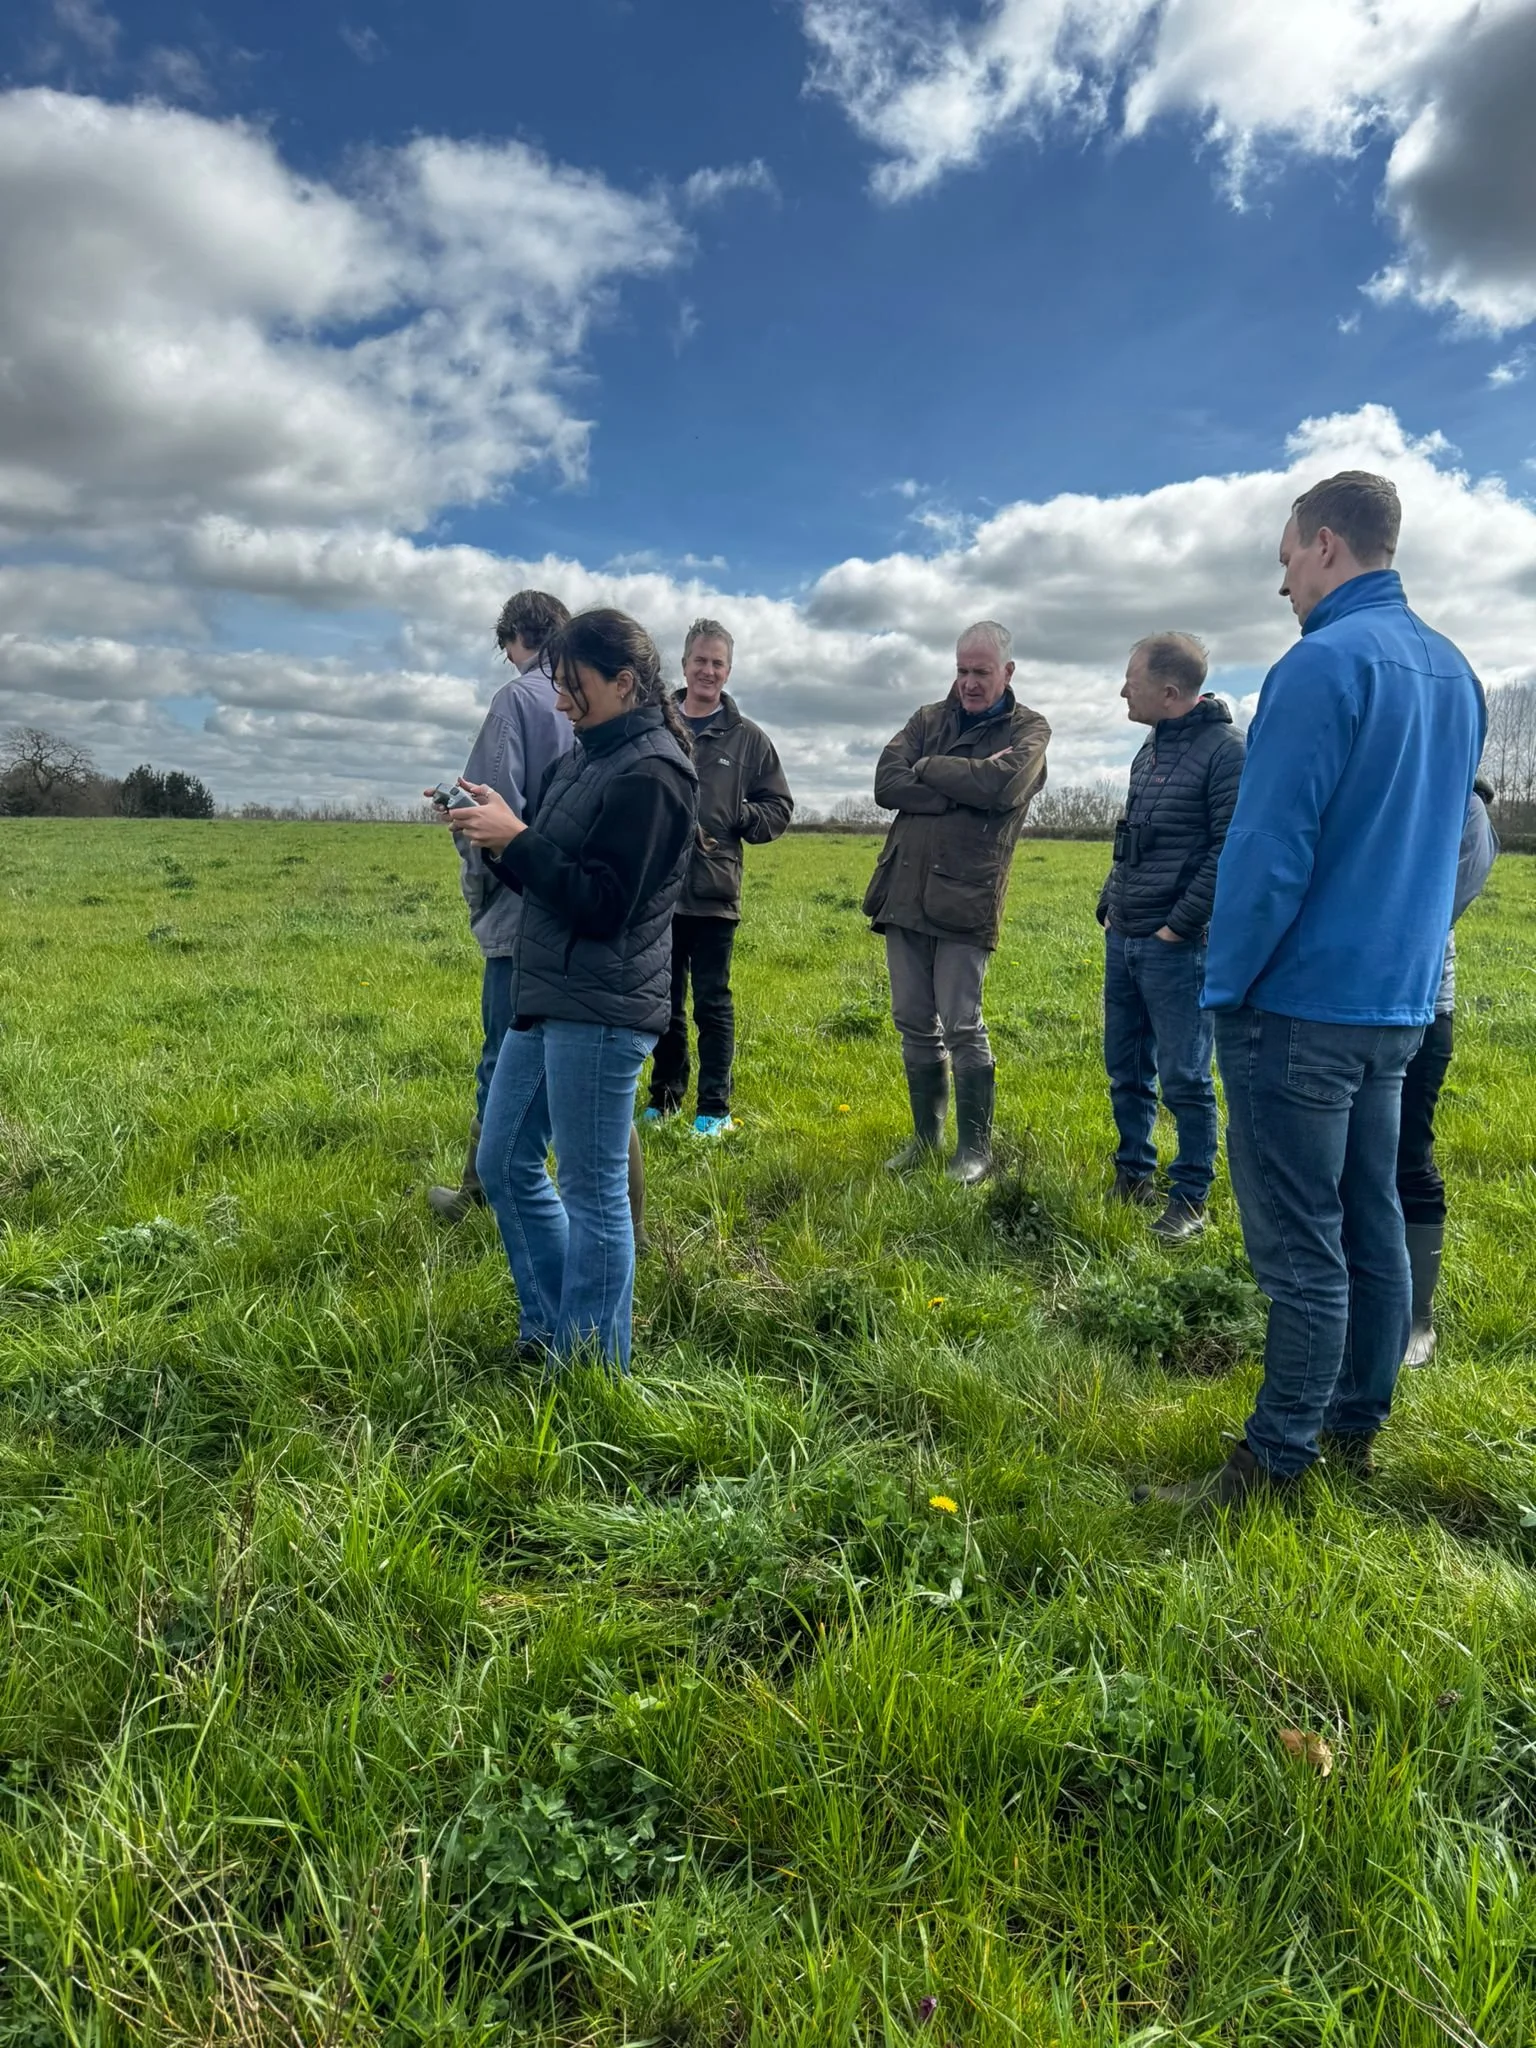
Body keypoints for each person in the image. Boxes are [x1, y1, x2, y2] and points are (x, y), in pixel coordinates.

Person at [1138, 471, 1486, 1508]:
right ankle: (1353, 1424)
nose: (1283, 580)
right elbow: (1464, 845)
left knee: (1300, 1248)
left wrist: (1226, 984)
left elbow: (1270, 848)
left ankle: (1275, 1460)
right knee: (1369, 1218)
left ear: (1326, 544)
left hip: (1298, 1003)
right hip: (1402, 1004)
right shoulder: (1456, 672)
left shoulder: (1321, 664)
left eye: (1287, 556)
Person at [445, 609, 698, 1375]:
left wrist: (517, 839)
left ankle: (590, 1372)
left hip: (603, 1010)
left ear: (625, 682)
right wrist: (491, 834)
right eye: (557, 685)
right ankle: (554, 1327)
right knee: (504, 1160)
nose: (561, 702)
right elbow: (547, 870)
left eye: (574, 686)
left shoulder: (652, 775)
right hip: (549, 994)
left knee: (593, 1197)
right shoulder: (587, 758)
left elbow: (601, 904)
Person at [864, 622, 1051, 1183]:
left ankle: (974, 1151)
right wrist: (958, 790)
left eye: (982, 672)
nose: (969, 682)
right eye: (962, 670)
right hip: (903, 892)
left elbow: (1003, 787)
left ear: (1007, 672)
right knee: (913, 1022)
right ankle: (926, 1140)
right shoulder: (927, 719)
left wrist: (930, 769)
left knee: (962, 1024)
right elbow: (885, 783)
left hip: (967, 899)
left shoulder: (1030, 730)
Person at [426, 589, 570, 1222]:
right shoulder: (599, 701)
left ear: (512, 638)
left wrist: (457, 810)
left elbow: (486, 819)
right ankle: (619, 1215)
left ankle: (483, 1191)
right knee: (583, 1059)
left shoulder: (516, 699)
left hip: (524, 907)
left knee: (504, 1048)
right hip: (588, 908)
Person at [1098, 632, 1244, 1244]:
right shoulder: (1149, 747)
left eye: (1130, 677)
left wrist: (1176, 926)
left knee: (1185, 1076)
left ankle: (1190, 1196)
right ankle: (1133, 1173)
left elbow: (1227, 849)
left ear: (1168, 689)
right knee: (1126, 1066)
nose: (1122, 688)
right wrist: (1110, 900)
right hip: (1126, 934)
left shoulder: (1227, 751)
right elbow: (1133, 834)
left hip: (1177, 946)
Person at [643, 618, 794, 1135]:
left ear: (728, 671)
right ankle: (663, 1100)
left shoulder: (749, 739)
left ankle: (713, 1111)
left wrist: (742, 818)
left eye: (718, 663)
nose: (708, 670)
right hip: (656, 891)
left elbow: (778, 806)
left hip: (713, 893)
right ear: (683, 665)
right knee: (663, 1002)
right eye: (700, 660)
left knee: (712, 1003)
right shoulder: (655, 724)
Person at [1398, 779, 1498, 1366]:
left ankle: (1417, 1319)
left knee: (1409, 1156)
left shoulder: (1463, 805)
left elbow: (1436, 903)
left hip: (1419, 1005)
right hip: (1343, 1006)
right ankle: (1352, 1299)